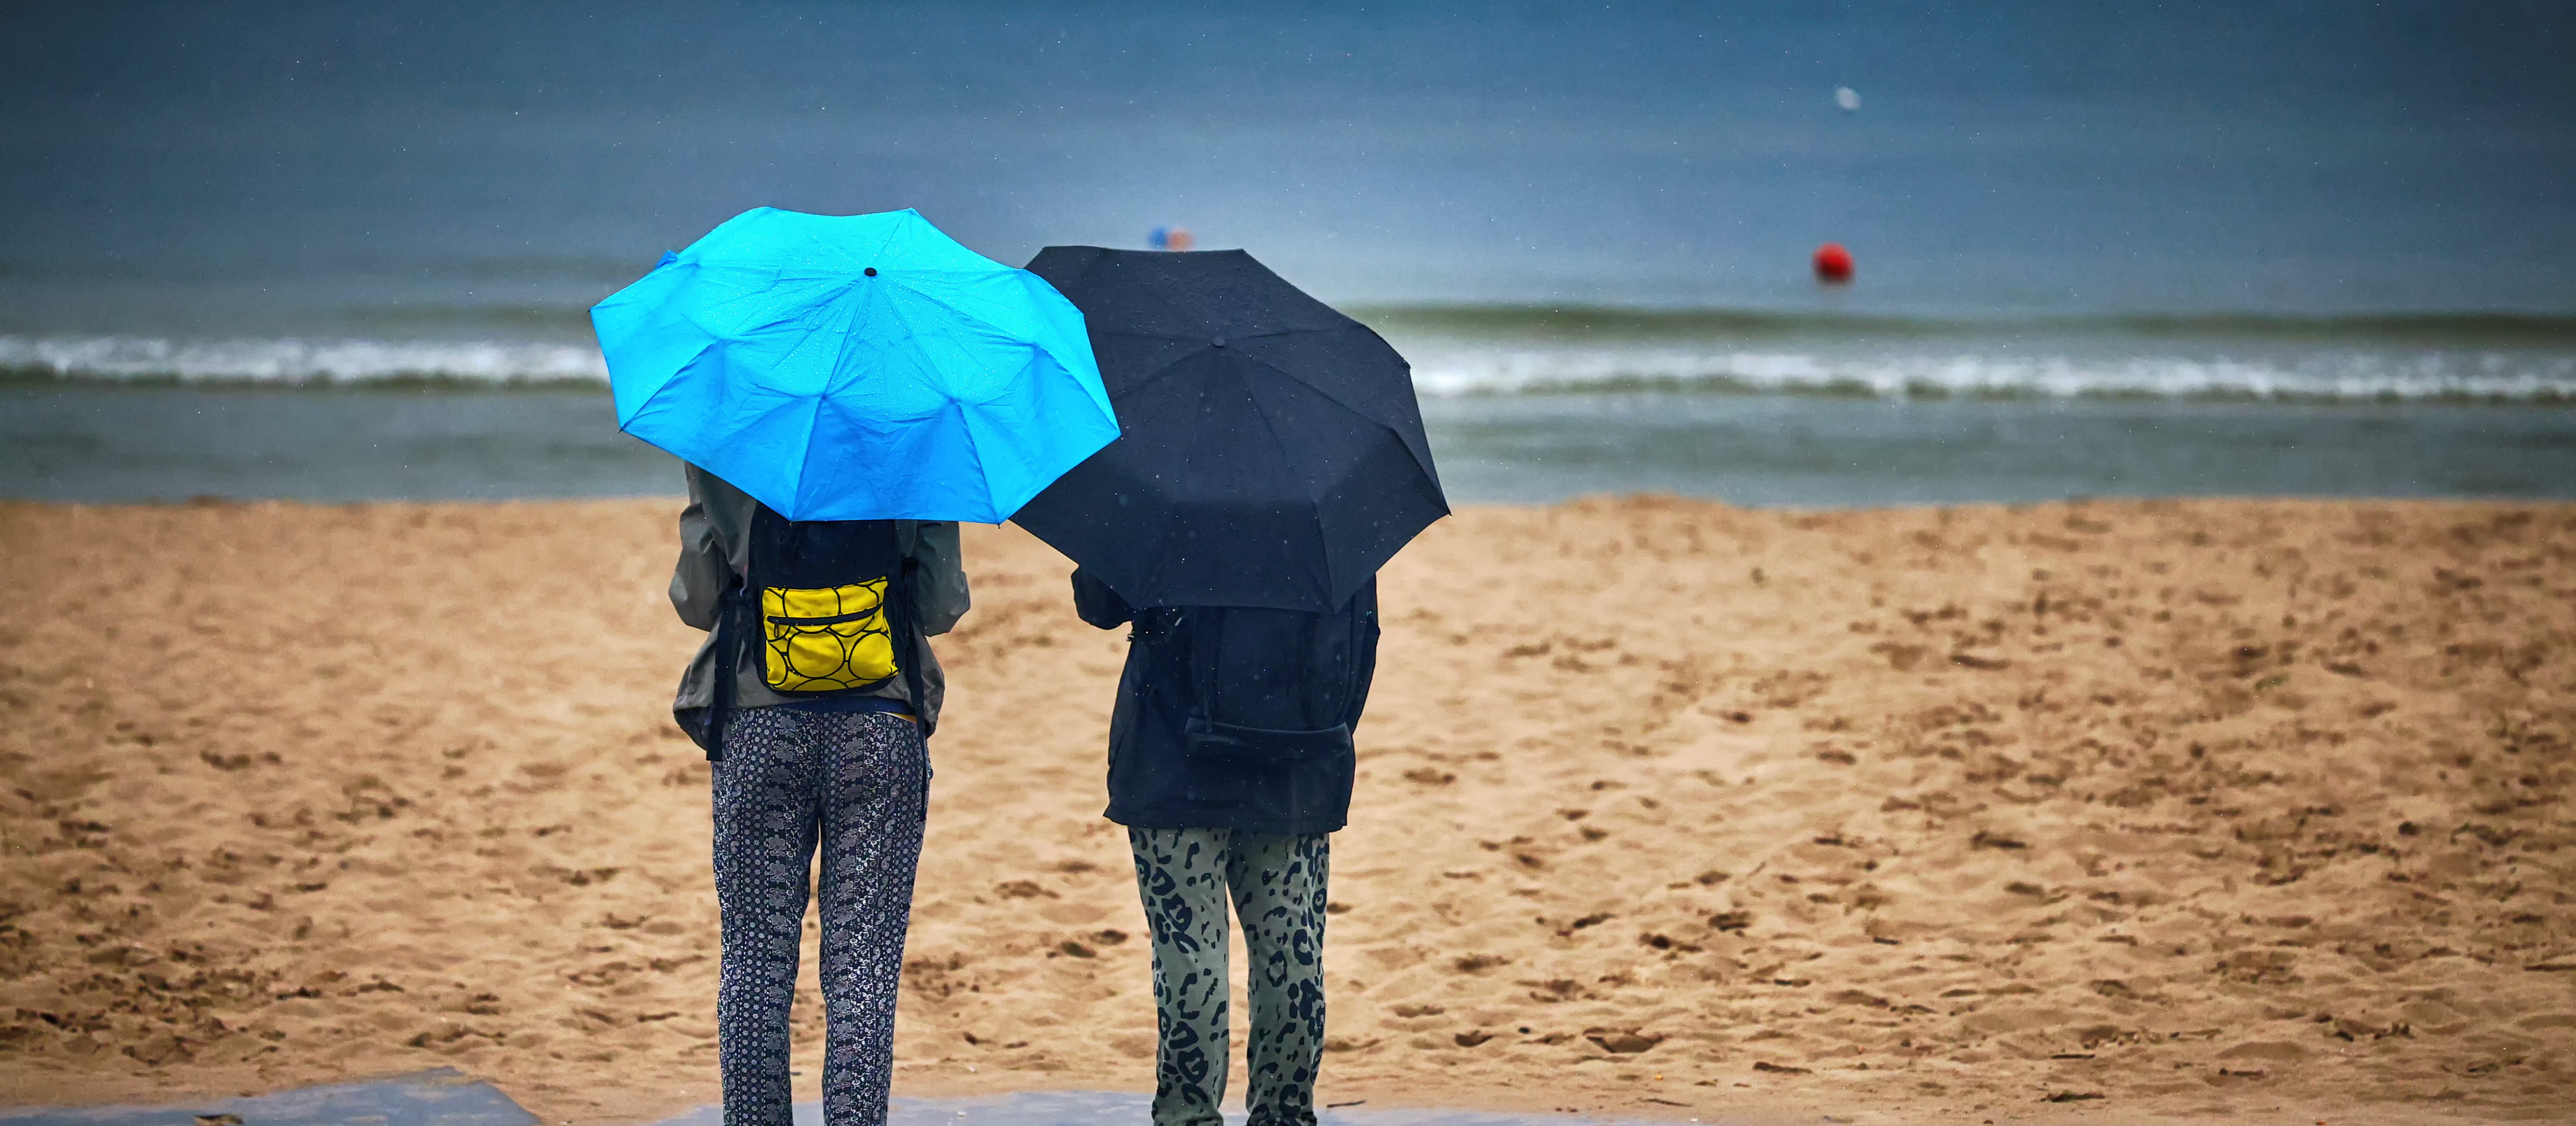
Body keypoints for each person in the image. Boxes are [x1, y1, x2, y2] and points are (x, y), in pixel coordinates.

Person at [668, 464, 970, 1126]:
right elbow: (943, 605)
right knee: (862, 968)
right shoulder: (914, 434)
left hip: (757, 721)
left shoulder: (730, 435)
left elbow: (695, 599)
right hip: (880, 721)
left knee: (755, 960)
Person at [1072, 568, 1379, 1126]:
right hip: (1294, 763)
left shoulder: (1163, 485)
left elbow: (1099, 602)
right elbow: (1361, 632)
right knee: (1291, 955)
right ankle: (1285, 1113)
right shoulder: (1327, 496)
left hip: (1172, 760)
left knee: (1190, 958)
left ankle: (1188, 1115)